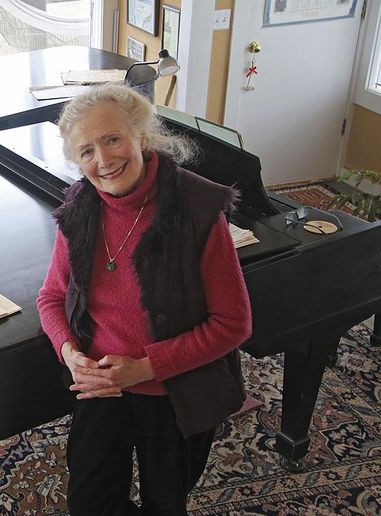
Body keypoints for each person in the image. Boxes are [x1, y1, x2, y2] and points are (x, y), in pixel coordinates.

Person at [36, 83, 252, 515]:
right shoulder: (79, 206)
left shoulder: (198, 208)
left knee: (166, 501)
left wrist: (142, 369)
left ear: (142, 136)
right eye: (86, 152)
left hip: (174, 388)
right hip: (102, 384)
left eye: (112, 139)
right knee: (91, 502)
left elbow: (233, 324)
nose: (103, 160)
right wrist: (69, 351)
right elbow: (52, 297)